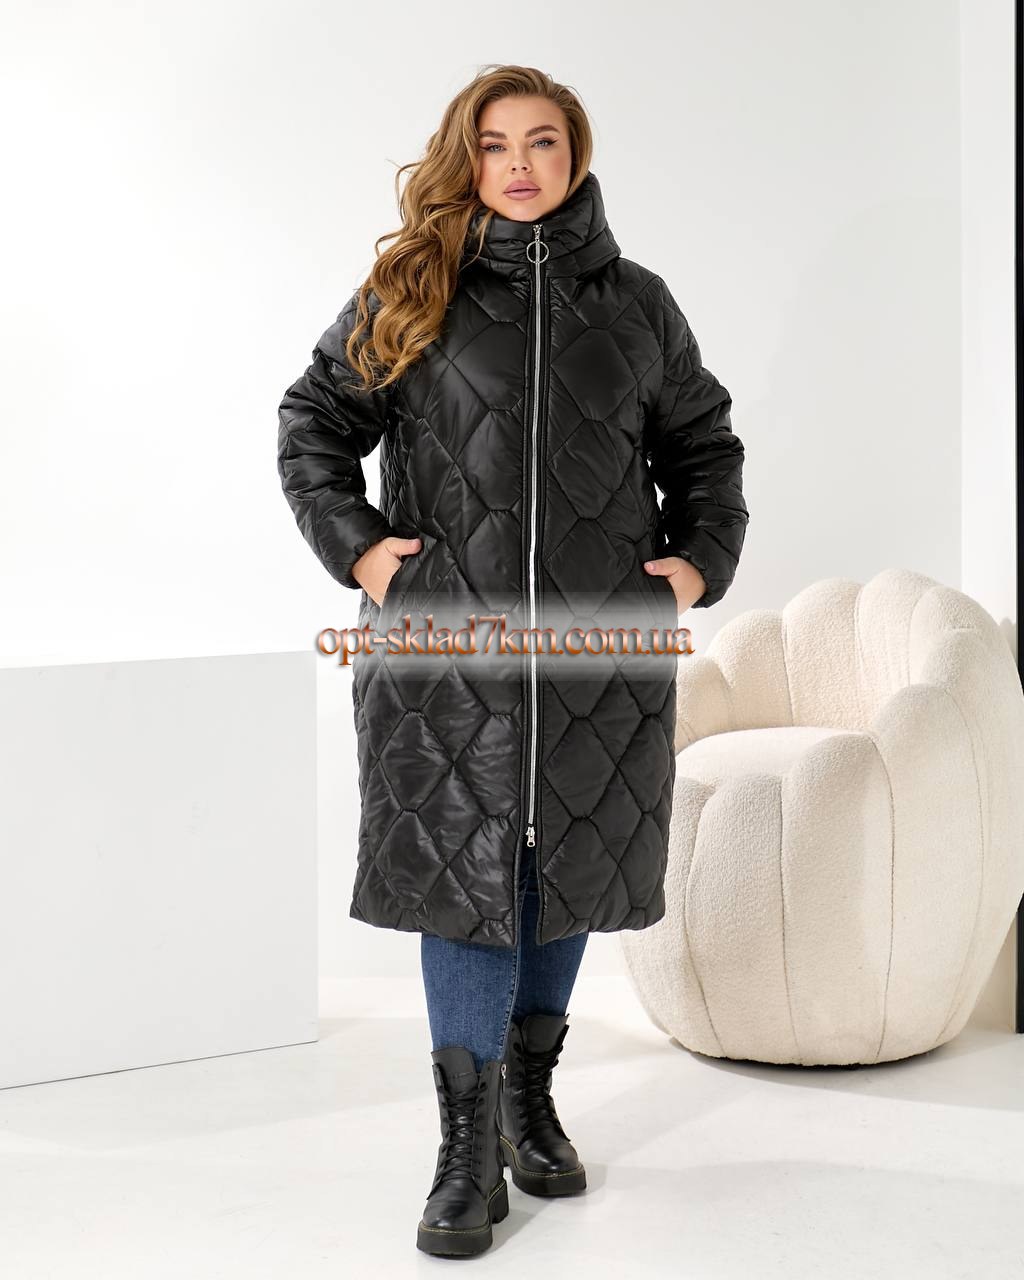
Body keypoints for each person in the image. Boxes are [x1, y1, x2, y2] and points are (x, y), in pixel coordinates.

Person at [277, 63, 749, 1258]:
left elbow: (704, 444)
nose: (520, 164)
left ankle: (529, 1099)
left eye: (543, 141)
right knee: (463, 872)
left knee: (564, 858)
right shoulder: (411, 287)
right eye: (495, 144)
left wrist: (694, 565)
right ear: (467, 158)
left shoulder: (636, 304)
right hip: (446, 648)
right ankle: (463, 1142)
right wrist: (362, 552)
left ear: (575, 156)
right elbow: (313, 421)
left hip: (598, 648)